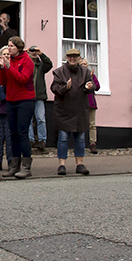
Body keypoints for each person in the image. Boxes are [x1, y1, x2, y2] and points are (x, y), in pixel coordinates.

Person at [51, 48, 95, 176]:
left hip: (80, 111)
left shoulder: (85, 72)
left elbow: (93, 85)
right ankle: (62, 165)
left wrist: (89, 87)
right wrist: (65, 88)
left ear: (79, 58)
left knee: (80, 139)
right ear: (67, 58)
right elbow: (54, 88)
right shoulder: (60, 72)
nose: (72, 59)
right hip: (64, 111)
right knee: (63, 138)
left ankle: (79, 164)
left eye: (75, 57)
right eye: (70, 57)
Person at [0, 36, 35, 179]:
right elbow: (3, 82)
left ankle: (26, 166)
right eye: (8, 45)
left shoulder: (27, 61)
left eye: (11, 45)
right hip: (11, 100)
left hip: (25, 100)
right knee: (13, 134)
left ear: (18, 47)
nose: (9, 48)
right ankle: (14, 165)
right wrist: (2, 68)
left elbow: (22, 79)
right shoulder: (10, 61)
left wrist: (8, 67)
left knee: (22, 132)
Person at [27, 45, 53, 151]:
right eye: (32, 51)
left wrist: (41, 54)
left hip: (39, 96)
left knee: (41, 118)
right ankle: (30, 139)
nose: (33, 53)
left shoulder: (41, 65)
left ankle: (42, 140)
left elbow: (49, 65)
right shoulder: (26, 64)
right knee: (28, 119)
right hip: (27, 95)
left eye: (35, 51)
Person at [79, 57, 100, 154]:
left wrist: (91, 78)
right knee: (81, 124)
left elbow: (97, 87)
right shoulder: (77, 76)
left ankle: (93, 143)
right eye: (82, 64)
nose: (83, 66)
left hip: (90, 102)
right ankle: (80, 143)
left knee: (92, 124)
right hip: (80, 103)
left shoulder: (92, 76)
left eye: (85, 64)